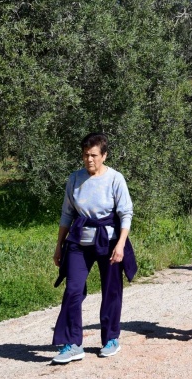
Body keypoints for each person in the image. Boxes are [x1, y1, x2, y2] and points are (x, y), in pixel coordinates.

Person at [51, 133, 136, 364]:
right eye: (85, 155)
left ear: (104, 155)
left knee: (111, 290)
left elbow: (125, 213)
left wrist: (120, 244)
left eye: (94, 155)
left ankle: (110, 338)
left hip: (108, 241)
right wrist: (59, 246)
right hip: (79, 241)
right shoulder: (75, 179)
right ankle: (73, 344)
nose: (89, 160)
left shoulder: (115, 179)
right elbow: (67, 214)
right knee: (73, 291)